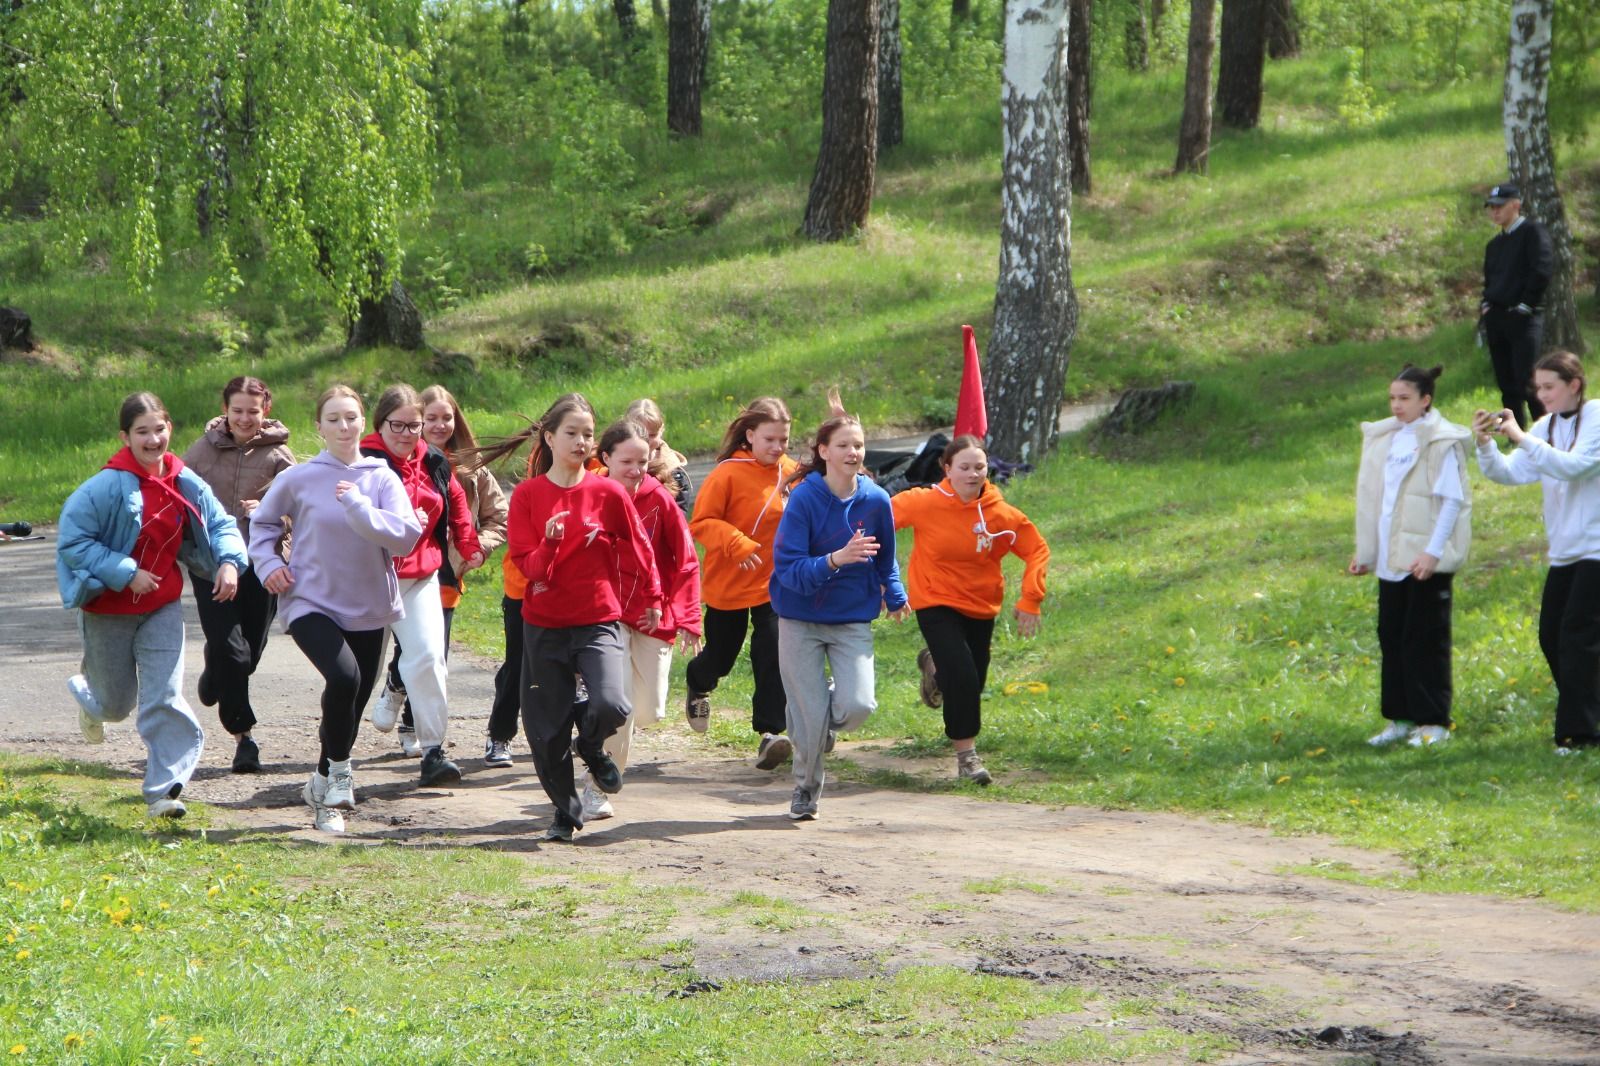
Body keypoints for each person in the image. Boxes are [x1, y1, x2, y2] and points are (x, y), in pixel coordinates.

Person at [57, 391, 248, 818]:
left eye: (159, 429)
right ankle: (89, 695)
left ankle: (164, 791)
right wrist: (126, 572)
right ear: (125, 436)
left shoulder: (184, 480)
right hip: (108, 609)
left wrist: (231, 563)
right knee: (116, 706)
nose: (153, 440)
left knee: (162, 696)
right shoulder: (103, 487)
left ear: (170, 429)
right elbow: (72, 542)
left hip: (162, 606)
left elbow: (219, 523)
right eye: (142, 432)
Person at [249, 385, 422, 832]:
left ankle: (322, 782)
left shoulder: (381, 477)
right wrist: (269, 563)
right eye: (333, 419)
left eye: (351, 417)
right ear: (319, 427)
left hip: (369, 605)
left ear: (364, 423)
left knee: (352, 699)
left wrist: (358, 505)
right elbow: (263, 524)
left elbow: (404, 537)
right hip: (310, 599)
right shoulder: (298, 478)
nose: (344, 427)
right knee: (344, 678)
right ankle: (341, 779)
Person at [489, 393, 662, 841]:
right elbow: (529, 570)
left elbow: (639, 545)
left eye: (588, 434)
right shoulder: (528, 495)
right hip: (544, 625)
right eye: (572, 433)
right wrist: (549, 543)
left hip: (597, 618)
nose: (582, 441)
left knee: (613, 704)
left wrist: (653, 594)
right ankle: (565, 813)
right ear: (549, 437)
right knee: (546, 730)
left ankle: (589, 744)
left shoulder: (607, 492)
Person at [771, 390, 909, 821]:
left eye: (859, 445)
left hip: (851, 618)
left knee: (858, 705)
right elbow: (788, 569)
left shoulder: (876, 500)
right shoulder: (805, 500)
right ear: (824, 451)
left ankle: (815, 712)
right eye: (845, 445)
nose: (853, 452)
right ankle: (806, 791)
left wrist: (896, 593)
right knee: (810, 721)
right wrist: (835, 559)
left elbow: (885, 556)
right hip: (799, 617)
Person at [892, 435, 1050, 783]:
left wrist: (1030, 599)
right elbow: (877, 521)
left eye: (979, 467)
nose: (973, 473)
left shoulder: (1000, 514)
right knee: (962, 676)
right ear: (946, 469)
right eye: (963, 467)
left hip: (981, 605)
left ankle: (933, 666)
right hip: (935, 600)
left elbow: (1036, 549)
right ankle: (968, 759)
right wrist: (878, 578)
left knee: (972, 682)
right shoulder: (923, 502)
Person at [374, 385, 509, 761]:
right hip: (382, 574)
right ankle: (385, 703)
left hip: (442, 573)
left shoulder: (465, 466)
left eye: (445, 417)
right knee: (404, 654)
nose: (437, 425)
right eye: (428, 418)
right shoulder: (376, 460)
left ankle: (418, 732)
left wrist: (475, 548)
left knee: (431, 654)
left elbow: (492, 515)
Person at [1474, 350, 1600, 753]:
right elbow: (1511, 473)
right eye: (1538, 388)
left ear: (1574, 385)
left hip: (1596, 549)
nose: (1542, 395)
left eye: (1550, 387)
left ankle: (1578, 734)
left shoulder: (1596, 416)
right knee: (1551, 636)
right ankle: (1588, 711)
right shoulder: (1545, 425)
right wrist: (1486, 445)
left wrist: (1522, 437)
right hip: (1565, 550)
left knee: (1576, 637)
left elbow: (1574, 466)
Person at [1348, 366, 1472, 748]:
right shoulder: (1387, 438)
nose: (1396, 405)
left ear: (1425, 399)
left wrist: (1432, 552)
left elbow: (1452, 501)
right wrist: (1367, 552)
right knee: (1393, 637)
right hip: (1391, 559)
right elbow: (1377, 501)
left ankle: (1433, 723)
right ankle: (1400, 719)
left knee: (1425, 640)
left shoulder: (1440, 441)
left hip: (1424, 561)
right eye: (1392, 398)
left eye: (1404, 398)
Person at [586, 419, 702, 820]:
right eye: (627, 462)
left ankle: (591, 731)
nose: (636, 470)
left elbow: (686, 560)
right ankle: (598, 784)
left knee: (649, 710)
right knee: (619, 706)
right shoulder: (590, 495)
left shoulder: (659, 499)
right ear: (605, 460)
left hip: (653, 613)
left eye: (643, 461)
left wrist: (689, 616)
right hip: (605, 611)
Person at [180, 375, 296, 773]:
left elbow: (300, 513)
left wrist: (268, 512)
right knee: (234, 649)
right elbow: (178, 500)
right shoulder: (200, 452)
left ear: (266, 410)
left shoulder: (281, 457)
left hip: (262, 563)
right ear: (225, 410)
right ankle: (244, 738)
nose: (245, 418)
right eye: (237, 410)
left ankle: (214, 671)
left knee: (249, 652)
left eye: (253, 411)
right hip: (211, 564)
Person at [686, 397, 798, 769]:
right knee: (722, 656)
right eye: (770, 439)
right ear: (749, 435)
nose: (778, 447)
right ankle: (699, 681)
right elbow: (701, 522)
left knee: (772, 651)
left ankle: (771, 734)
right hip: (729, 583)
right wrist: (735, 543)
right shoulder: (727, 473)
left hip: (774, 584)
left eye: (784, 439)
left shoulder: (793, 473)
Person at [1481, 182, 1554, 429]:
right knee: (1506, 381)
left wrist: (1525, 306)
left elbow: (1541, 270)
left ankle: (1546, 430)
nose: (1495, 212)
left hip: (1523, 316)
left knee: (1527, 379)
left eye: (1499, 206)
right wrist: (1486, 306)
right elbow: (1489, 280)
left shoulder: (1532, 233)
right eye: (1491, 207)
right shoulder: (1493, 245)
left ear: (1516, 205)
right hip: (1497, 317)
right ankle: (1515, 432)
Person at [625, 397, 693, 509]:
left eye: (652, 435)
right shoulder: (611, 463)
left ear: (661, 431)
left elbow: (679, 513)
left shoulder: (674, 470)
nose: (645, 441)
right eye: (639, 434)